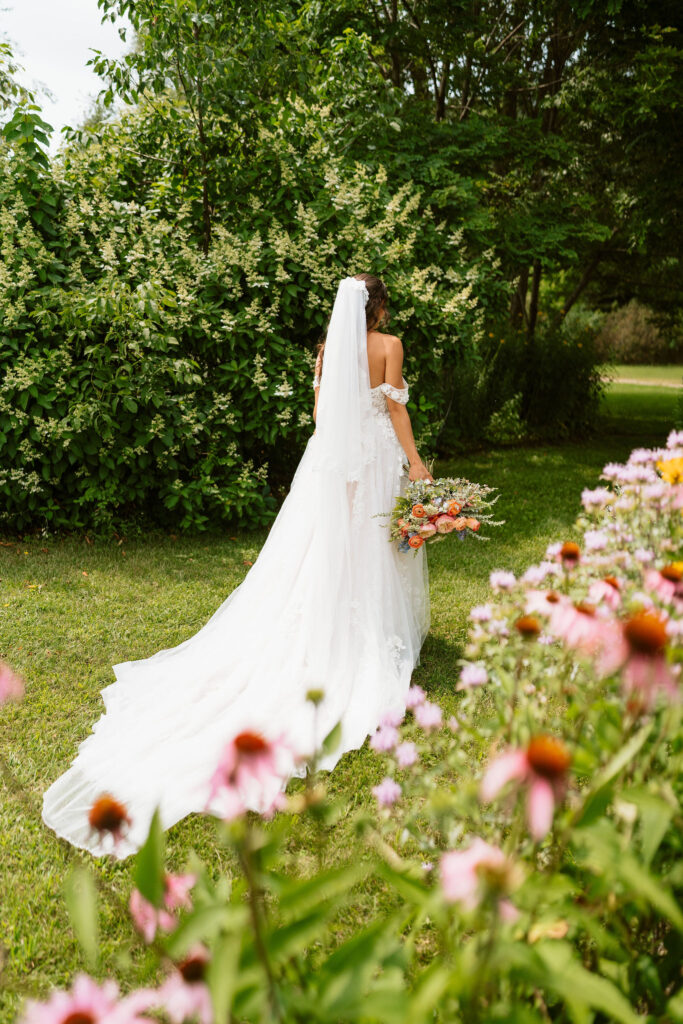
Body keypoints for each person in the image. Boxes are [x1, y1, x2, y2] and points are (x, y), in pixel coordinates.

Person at [42, 273, 432, 857]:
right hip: (374, 462)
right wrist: (417, 464)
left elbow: (324, 422)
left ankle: (327, 627)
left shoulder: (326, 352)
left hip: (330, 469)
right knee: (369, 550)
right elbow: (396, 413)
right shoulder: (389, 346)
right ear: (378, 308)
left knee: (328, 552)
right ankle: (365, 638)